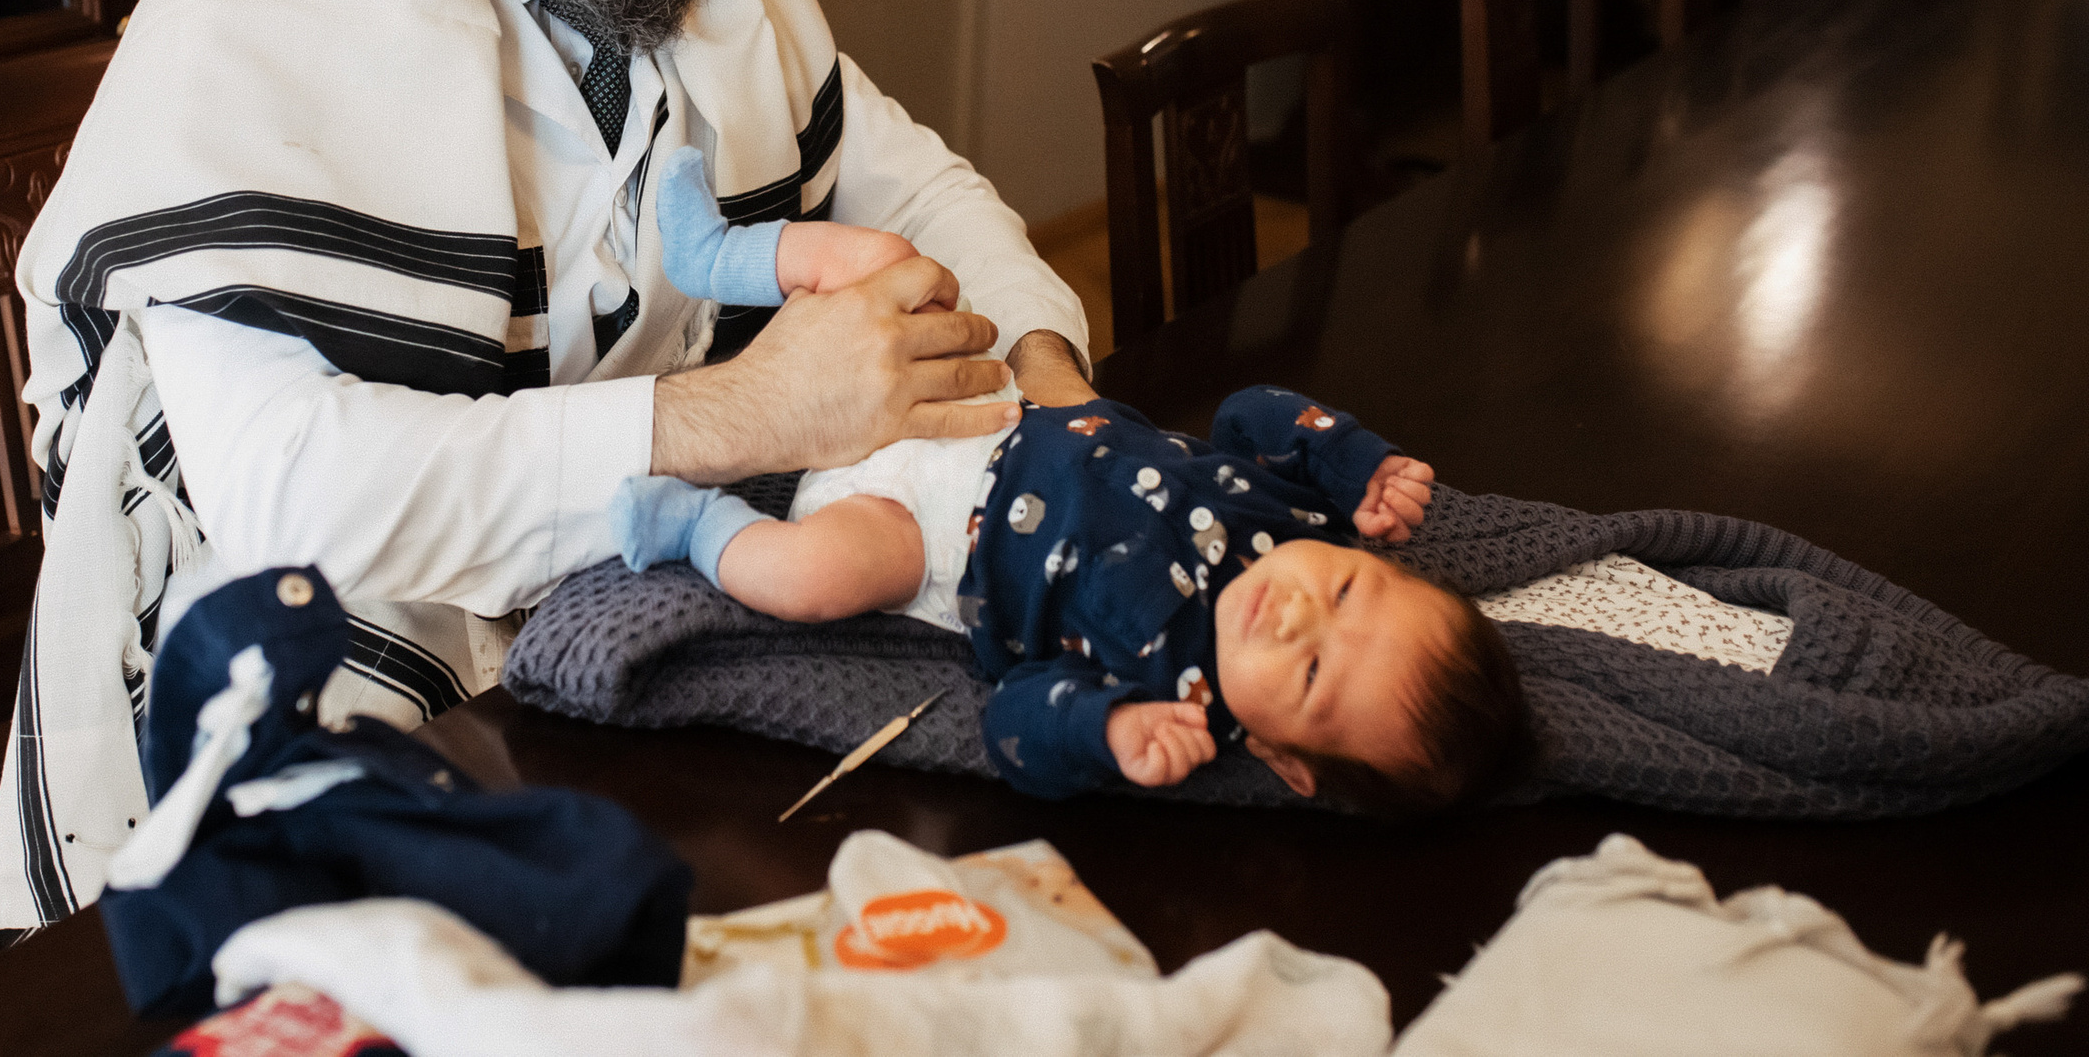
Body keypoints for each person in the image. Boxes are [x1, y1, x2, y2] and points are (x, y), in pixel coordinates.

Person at [0, 0, 1090, 928]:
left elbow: (910, 177)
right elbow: (297, 493)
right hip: (322, 644)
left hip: (630, 590)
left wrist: (1053, 374)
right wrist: (749, 414)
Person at [615, 164, 1528, 814]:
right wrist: (1352, 460)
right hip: (986, 407)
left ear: (1290, 760)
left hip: (927, 533)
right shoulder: (1296, 522)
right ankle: (719, 258)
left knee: (812, 576)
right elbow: (1251, 411)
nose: (1297, 611)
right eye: (1347, 587)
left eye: (1315, 671)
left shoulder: (1172, 696)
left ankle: (691, 523)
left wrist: (1103, 732)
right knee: (895, 260)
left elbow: (1012, 721)